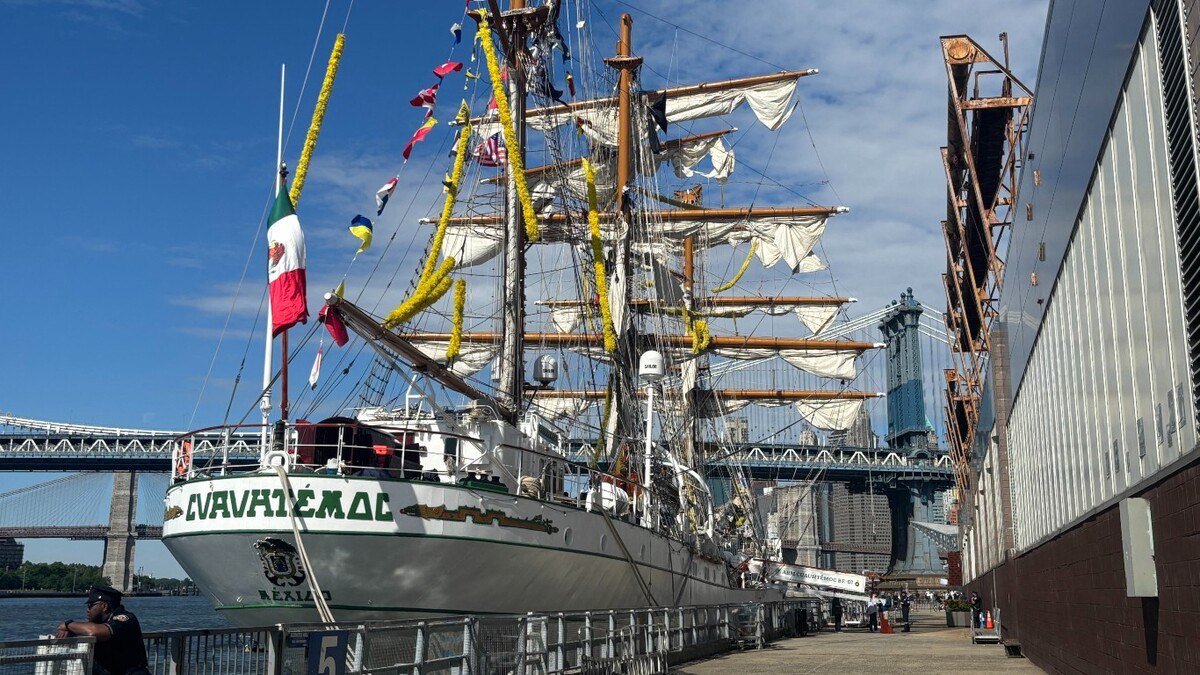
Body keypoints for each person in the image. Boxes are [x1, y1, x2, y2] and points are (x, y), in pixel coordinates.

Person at [55, 585, 149, 675]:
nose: (87, 610)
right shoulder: (101, 622)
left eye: (91, 605)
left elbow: (93, 631)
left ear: (104, 606)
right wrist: (70, 630)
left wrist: (68, 624)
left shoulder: (125, 619)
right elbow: (89, 628)